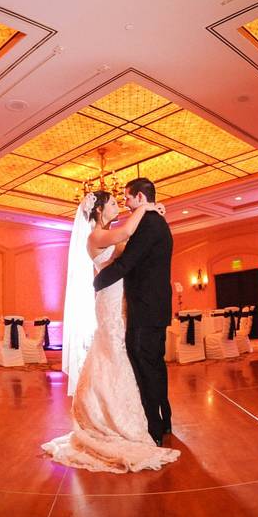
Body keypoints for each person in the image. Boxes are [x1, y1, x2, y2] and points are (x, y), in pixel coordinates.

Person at [42, 189, 180, 473]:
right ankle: (110, 416)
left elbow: (128, 246)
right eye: (115, 203)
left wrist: (150, 209)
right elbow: (128, 232)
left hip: (121, 296)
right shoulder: (96, 236)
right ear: (99, 211)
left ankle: (133, 413)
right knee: (113, 350)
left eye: (124, 200)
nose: (121, 205)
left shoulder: (110, 232)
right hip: (109, 299)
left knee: (124, 353)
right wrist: (149, 208)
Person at [94, 177, 174, 446]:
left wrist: (96, 283)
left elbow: (127, 262)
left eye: (128, 198)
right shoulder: (153, 220)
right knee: (154, 365)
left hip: (146, 309)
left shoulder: (149, 224)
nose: (125, 203)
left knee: (145, 366)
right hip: (152, 307)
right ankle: (164, 420)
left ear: (140, 197)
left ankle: (154, 428)